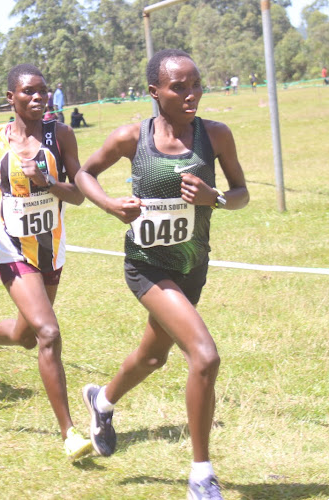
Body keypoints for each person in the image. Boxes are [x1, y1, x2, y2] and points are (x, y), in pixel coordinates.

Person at [75, 49, 249, 499]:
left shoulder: (216, 136)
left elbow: (242, 192)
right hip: (147, 268)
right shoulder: (132, 138)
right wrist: (111, 205)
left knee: (154, 356)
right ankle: (201, 475)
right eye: (179, 87)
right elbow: (83, 174)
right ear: (155, 92)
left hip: (192, 267)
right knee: (205, 356)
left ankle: (102, 400)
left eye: (196, 84)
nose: (191, 94)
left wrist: (216, 198)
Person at [0, 63, 93, 461]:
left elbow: (79, 193)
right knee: (48, 332)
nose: (37, 97)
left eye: (42, 91)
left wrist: (48, 181)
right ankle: (69, 433)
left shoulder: (60, 134)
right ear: (10, 97)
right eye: (28, 91)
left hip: (51, 248)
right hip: (11, 248)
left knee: (28, 335)